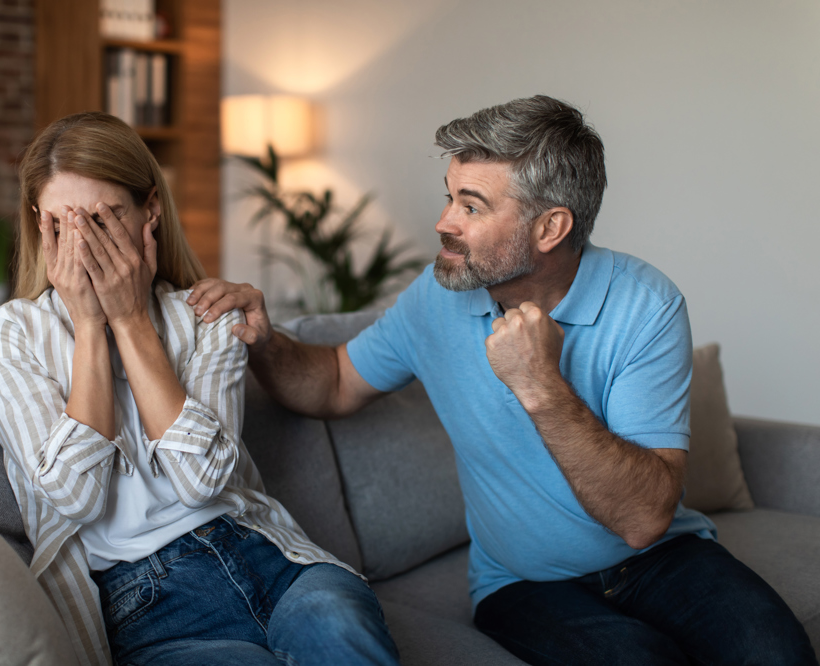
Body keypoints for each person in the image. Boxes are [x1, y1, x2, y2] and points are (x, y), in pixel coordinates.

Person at [188, 96, 817, 665]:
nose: (443, 222)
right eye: (449, 196)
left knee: (777, 653)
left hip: (663, 557)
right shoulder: (438, 297)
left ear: (550, 228)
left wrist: (539, 384)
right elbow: (331, 383)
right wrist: (266, 338)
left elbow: (644, 520)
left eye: (471, 205)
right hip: (523, 584)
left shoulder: (644, 305)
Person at [0, 112, 400, 666]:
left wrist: (130, 322)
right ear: (38, 225)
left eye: (104, 219)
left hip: (265, 555)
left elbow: (202, 483)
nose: (84, 245)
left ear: (150, 209)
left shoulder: (206, 315)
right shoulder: (8, 334)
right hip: (148, 603)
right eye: (62, 223)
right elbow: (77, 497)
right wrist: (89, 329)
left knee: (342, 634)